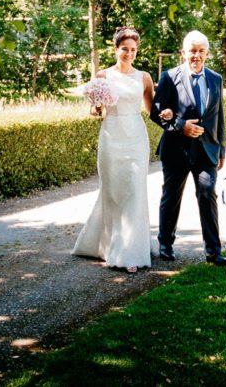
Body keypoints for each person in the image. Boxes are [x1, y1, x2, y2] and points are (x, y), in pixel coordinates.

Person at [72, 27, 158, 274]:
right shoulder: (103, 75)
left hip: (136, 137)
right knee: (112, 191)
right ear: (116, 49)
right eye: (124, 49)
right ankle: (109, 245)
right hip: (111, 135)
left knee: (133, 189)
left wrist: (169, 115)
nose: (129, 54)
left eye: (133, 50)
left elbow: (152, 111)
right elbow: (95, 109)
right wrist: (95, 107)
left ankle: (130, 251)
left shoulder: (144, 77)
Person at [150, 30, 226, 266]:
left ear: (207, 53)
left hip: (207, 151)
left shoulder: (216, 79)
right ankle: (165, 244)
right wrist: (180, 125)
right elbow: (156, 112)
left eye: (200, 51)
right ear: (183, 53)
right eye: (191, 51)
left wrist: (222, 150)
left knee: (207, 194)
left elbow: (219, 116)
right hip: (176, 150)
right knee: (171, 197)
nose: (196, 55)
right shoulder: (169, 76)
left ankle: (213, 252)